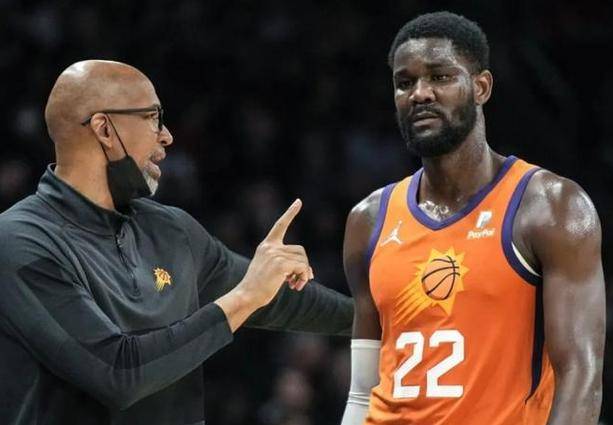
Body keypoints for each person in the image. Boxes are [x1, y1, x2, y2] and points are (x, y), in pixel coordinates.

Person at [0, 60, 353, 425]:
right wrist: (245, 298)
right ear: (105, 129)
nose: (166, 136)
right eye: (153, 117)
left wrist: (377, 319)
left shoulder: (171, 229)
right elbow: (118, 373)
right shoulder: (20, 242)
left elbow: (275, 297)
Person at [340, 11, 605, 425]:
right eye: (404, 83)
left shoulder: (550, 207)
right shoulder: (368, 220)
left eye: (440, 77)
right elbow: (361, 391)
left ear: (481, 87)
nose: (420, 93)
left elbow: (580, 377)